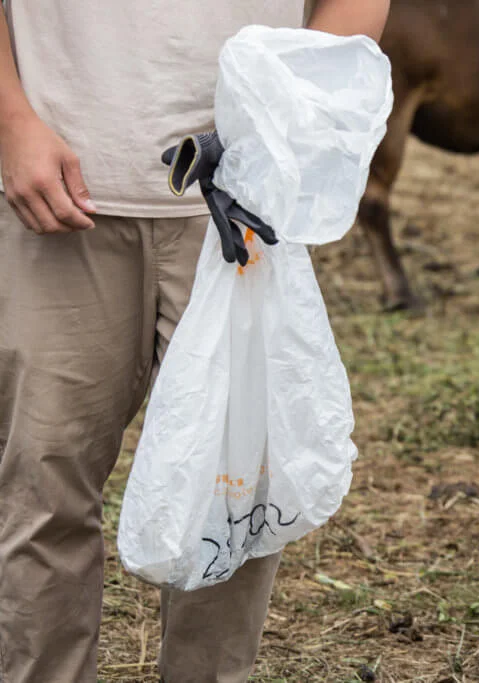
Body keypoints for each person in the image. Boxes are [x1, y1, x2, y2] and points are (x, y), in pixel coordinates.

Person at [0, 1, 391, 681]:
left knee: (232, 489)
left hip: (238, 198)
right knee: (41, 483)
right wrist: (9, 121)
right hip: (56, 190)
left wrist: (278, 112)